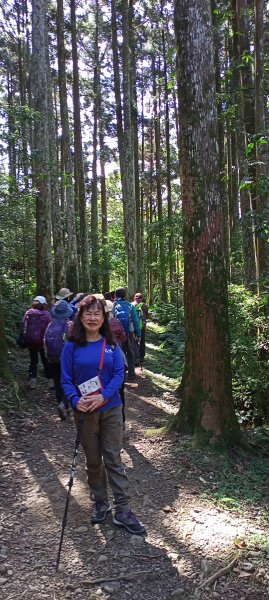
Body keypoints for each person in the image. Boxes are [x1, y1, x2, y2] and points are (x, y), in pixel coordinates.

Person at [61, 294, 145, 534]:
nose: (92, 317)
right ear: (80, 316)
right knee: (93, 460)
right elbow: (66, 380)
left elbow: (120, 374)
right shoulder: (71, 345)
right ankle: (100, 502)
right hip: (85, 412)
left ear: (103, 317)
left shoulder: (110, 344)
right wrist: (75, 400)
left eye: (97, 313)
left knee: (114, 458)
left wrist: (103, 396)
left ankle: (123, 510)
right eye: (88, 313)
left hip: (110, 409)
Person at [44, 300, 73, 420]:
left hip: (51, 357)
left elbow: (45, 341)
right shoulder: (69, 324)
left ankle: (60, 403)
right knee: (68, 380)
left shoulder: (50, 325)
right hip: (64, 358)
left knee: (57, 382)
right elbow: (71, 341)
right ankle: (64, 404)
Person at [105, 299, 127, 425]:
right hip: (117, 359)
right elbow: (123, 337)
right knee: (119, 391)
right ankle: (121, 421)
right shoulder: (115, 322)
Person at [22, 295, 52, 389]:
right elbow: (50, 328)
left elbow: (23, 326)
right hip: (43, 342)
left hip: (31, 342)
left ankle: (32, 382)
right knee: (45, 361)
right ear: (43, 304)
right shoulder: (47, 314)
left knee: (33, 360)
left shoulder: (28, 313)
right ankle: (51, 382)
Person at [113, 287, 141, 380]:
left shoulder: (113, 305)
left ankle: (121, 373)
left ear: (115, 295)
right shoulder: (130, 305)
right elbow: (136, 320)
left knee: (118, 352)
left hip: (116, 334)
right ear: (125, 295)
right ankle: (131, 373)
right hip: (128, 332)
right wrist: (138, 333)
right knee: (130, 352)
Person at [132, 292, 149, 366]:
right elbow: (146, 315)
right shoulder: (145, 306)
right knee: (142, 341)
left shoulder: (131, 305)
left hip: (133, 327)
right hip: (142, 326)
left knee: (133, 342)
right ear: (141, 298)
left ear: (134, 298)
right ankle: (141, 357)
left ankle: (135, 357)